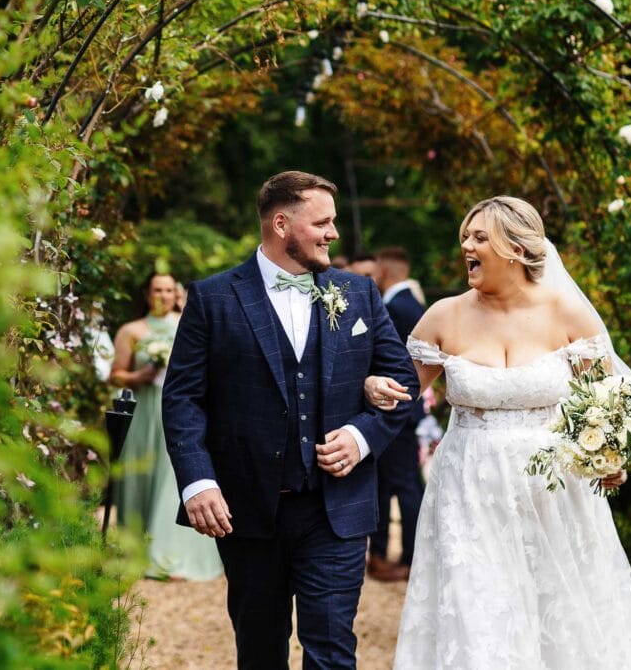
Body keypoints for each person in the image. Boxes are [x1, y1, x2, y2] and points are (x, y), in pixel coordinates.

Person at [365, 196, 631, 668]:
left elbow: (610, 403)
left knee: (560, 615)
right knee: (477, 614)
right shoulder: (444, 315)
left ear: (516, 249)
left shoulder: (567, 316)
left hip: (554, 493)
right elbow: (398, 392)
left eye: (479, 237)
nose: (467, 245)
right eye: (466, 236)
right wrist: (373, 384)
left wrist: (612, 455)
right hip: (467, 493)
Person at [162, 170, 418, 668]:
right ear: (282, 223)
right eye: (322, 222)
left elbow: (402, 386)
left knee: (331, 650)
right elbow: (182, 399)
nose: (334, 234)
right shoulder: (213, 299)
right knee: (259, 649)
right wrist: (198, 483)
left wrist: (362, 437)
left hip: (335, 511)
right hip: (248, 508)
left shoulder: (359, 293)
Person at [110, 272, 222, 581]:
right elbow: (116, 374)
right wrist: (139, 377)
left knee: (176, 479)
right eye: (157, 290)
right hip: (146, 410)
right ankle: (135, 549)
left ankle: (173, 555)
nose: (164, 295)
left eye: (169, 290)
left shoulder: (189, 322)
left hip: (181, 414)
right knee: (141, 476)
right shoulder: (131, 330)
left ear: (177, 293)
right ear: (146, 293)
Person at [366, 246, 427, 582]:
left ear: (385, 272)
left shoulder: (395, 307)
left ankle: (408, 557)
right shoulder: (412, 304)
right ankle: (384, 554)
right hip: (408, 411)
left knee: (404, 486)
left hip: (398, 410)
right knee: (394, 482)